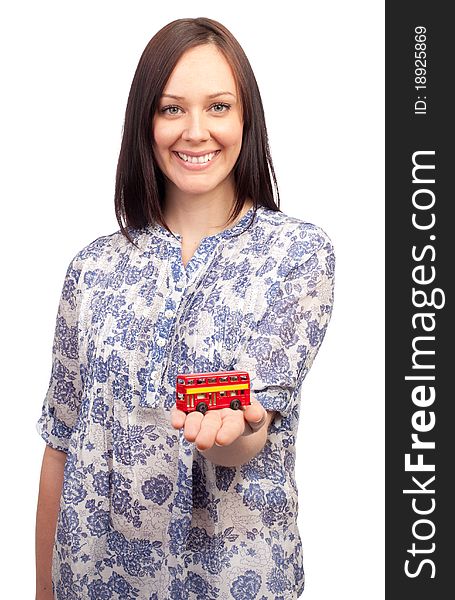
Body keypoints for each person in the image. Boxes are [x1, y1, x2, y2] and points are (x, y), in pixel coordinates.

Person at [35, 17, 335, 600]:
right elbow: (60, 442)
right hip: (93, 581)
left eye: (218, 106)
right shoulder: (93, 270)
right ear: (144, 122)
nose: (196, 131)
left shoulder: (296, 255)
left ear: (246, 118)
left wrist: (228, 429)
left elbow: (252, 425)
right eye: (172, 109)